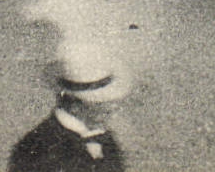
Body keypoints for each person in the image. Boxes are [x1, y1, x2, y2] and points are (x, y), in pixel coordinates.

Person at [9, 44, 129, 172]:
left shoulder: (106, 141)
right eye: (101, 102)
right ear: (75, 105)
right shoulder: (35, 148)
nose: (113, 108)